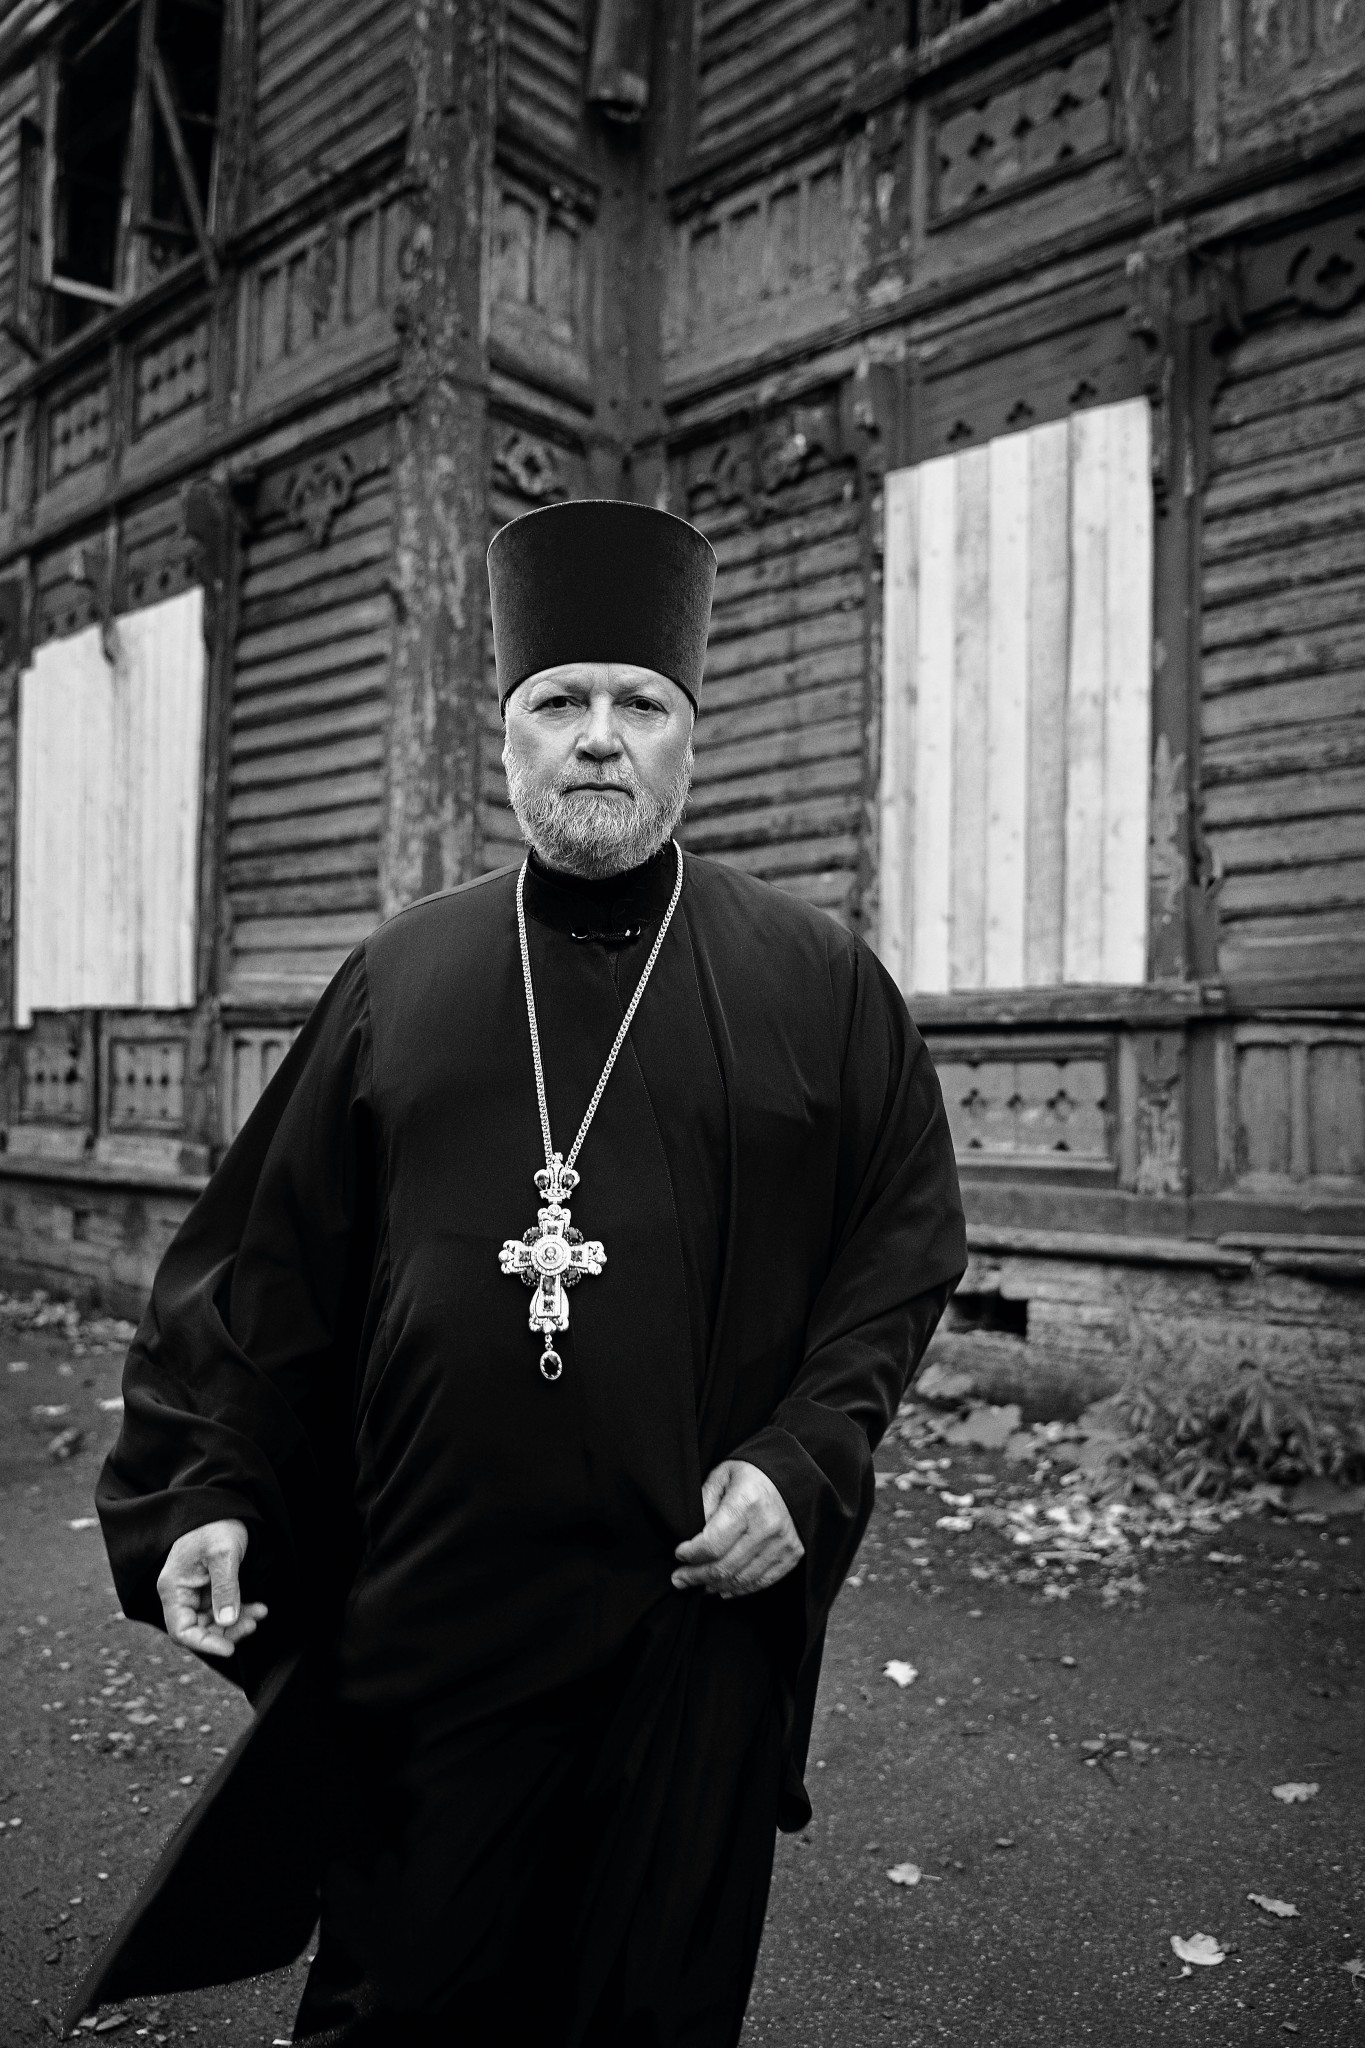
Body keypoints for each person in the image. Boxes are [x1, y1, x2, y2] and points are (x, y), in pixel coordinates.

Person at [84, 498, 966, 2046]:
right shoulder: (400, 976)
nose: (599, 737)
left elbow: (898, 1249)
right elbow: (266, 1270)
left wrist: (804, 1457)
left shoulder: (817, 982)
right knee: (398, 2001)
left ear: (690, 741)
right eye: (560, 701)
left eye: (642, 704)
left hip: (688, 1626)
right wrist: (214, 1485)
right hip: (432, 1628)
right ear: (506, 741)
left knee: (648, 2014)